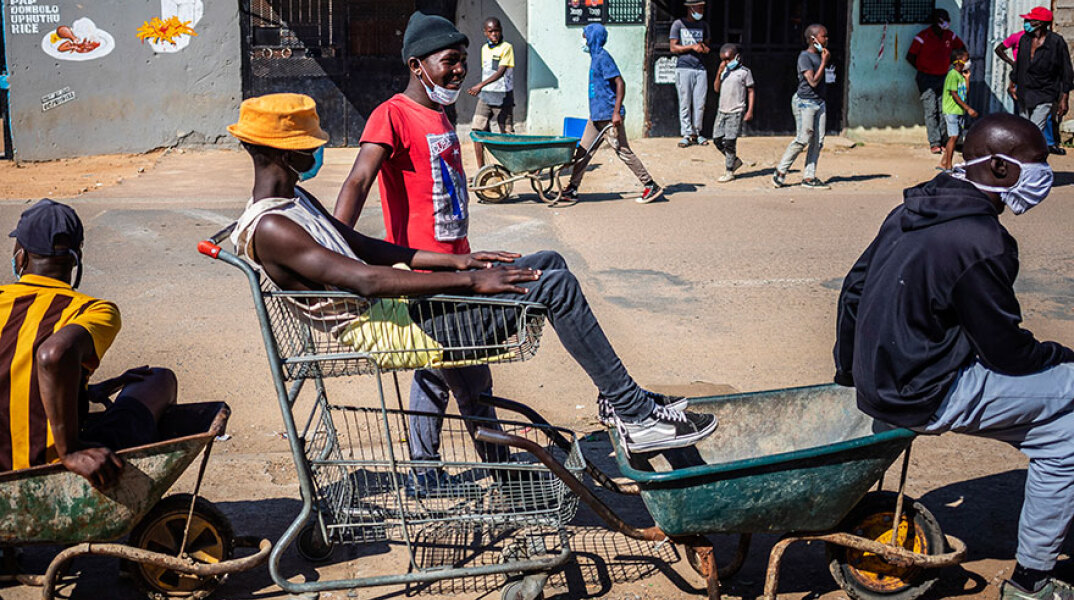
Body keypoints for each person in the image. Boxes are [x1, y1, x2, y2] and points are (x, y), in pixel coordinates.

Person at [228, 93, 717, 455]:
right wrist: (471, 282)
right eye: (307, 146)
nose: (315, 153)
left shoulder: (294, 200)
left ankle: (619, 402)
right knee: (557, 288)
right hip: (403, 329)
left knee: (547, 260)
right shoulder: (272, 225)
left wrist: (460, 260)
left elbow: (368, 246)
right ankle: (634, 415)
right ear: (283, 153)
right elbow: (365, 279)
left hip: (411, 311)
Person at [833, 113, 1072, 600]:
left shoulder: (913, 209)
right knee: (1066, 433)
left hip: (882, 378)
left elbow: (853, 291)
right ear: (1003, 170)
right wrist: (1058, 354)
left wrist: (849, 372)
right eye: (1038, 164)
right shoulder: (984, 242)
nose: (1045, 174)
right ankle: (1032, 581)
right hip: (926, 390)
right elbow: (1007, 352)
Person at [334, 12, 522, 498]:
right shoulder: (392, 113)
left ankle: (432, 469)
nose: (459, 70)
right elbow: (358, 179)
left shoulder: (441, 113)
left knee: (445, 370)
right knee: (466, 374)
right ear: (418, 65)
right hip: (421, 271)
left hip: (457, 264)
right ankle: (496, 475)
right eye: (450, 62)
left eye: (463, 61)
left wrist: (468, 257)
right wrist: (334, 247)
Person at [0, 199, 177, 489]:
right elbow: (53, 354)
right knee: (159, 379)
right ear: (76, 258)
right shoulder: (93, 310)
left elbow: (21, 365)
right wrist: (68, 450)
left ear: (20, 257)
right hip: (44, 469)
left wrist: (83, 389)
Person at [561, 23, 663, 204]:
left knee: (622, 151)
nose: (583, 39)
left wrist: (616, 112)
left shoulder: (603, 57)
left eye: (585, 36)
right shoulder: (595, 58)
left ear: (592, 38)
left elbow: (620, 83)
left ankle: (650, 185)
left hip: (609, 117)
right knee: (583, 152)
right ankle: (572, 189)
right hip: (596, 116)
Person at [1009, 7, 1073, 157]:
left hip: (1045, 93)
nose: (1028, 22)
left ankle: (1034, 163)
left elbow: (1066, 71)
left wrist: (1064, 98)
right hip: (1024, 92)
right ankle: (1028, 164)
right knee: (1024, 130)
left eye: (1032, 20)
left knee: (1034, 132)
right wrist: (1012, 84)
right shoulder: (1025, 39)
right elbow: (1019, 64)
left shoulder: (1056, 42)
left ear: (1041, 23)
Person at [773, 24, 830, 190]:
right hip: (805, 102)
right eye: (823, 36)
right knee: (803, 139)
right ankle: (781, 171)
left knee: (817, 141)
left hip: (819, 102)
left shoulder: (820, 55)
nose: (826, 39)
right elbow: (812, 81)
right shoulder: (805, 57)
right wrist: (824, 62)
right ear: (813, 39)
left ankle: (809, 176)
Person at [907, 9, 966, 154]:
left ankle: (945, 141)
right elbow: (910, 56)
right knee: (930, 110)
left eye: (947, 20)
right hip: (926, 78)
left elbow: (961, 48)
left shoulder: (950, 36)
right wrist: (923, 68)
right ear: (936, 21)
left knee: (943, 109)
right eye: (943, 20)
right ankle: (934, 142)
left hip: (943, 77)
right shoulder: (922, 36)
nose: (946, 23)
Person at [995, 28, 1060, 153]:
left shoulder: (1044, 40)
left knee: (1043, 113)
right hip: (1022, 79)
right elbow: (999, 49)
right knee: (1023, 115)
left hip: (1039, 80)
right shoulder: (1017, 37)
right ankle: (1023, 143)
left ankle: (1048, 143)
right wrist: (1012, 63)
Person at [467, 16, 516, 169]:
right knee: (477, 130)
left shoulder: (507, 47)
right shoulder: (484, 49)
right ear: (485, 33)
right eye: (491, 31)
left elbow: (501, 71)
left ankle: (511, 166)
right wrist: (482, 88)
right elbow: (487, 71)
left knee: (506, 134)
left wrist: (479, 85)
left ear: (501, 31)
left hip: (503, 97)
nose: (494, 34)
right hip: (486, 97)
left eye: (497, 30)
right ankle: (482, 169)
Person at [669, 0, 711, 148]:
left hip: (700, 68)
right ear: (690, 8)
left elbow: (707, 47)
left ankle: (697, 133)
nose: (701, 10)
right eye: (699, 7)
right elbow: (673, 48)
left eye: (702, 8)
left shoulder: (704, 25)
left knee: (700, 103)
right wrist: (691, 47)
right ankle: (686, 133)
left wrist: (703, 49)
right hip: (684, 68)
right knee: (685, 102)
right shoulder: (678, 24)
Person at [712, 43, 754, 183]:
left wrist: (749, 110)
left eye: (728, 59)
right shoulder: (724, 72)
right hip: (722, 110)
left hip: (735, 111)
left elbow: (751, 91)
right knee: (717, 139)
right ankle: (734, 161)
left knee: (730, 141)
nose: (726, 63)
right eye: (723, 60)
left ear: (737, 57)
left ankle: (729, 171)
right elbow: (716, 89)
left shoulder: (744, 72)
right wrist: (718, 73)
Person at [939, 48, 977, 172]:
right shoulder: (952, 75)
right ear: (958, 61)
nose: (968, 62)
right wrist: (968, 109)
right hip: (951, 110)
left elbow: (964, 93)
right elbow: (954, 94)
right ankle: (948, 166)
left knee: (955, 137)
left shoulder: (960, 76)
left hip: (959, 110)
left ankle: (944, 162)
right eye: (966, 59)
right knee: (954, 137)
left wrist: (967, 79)